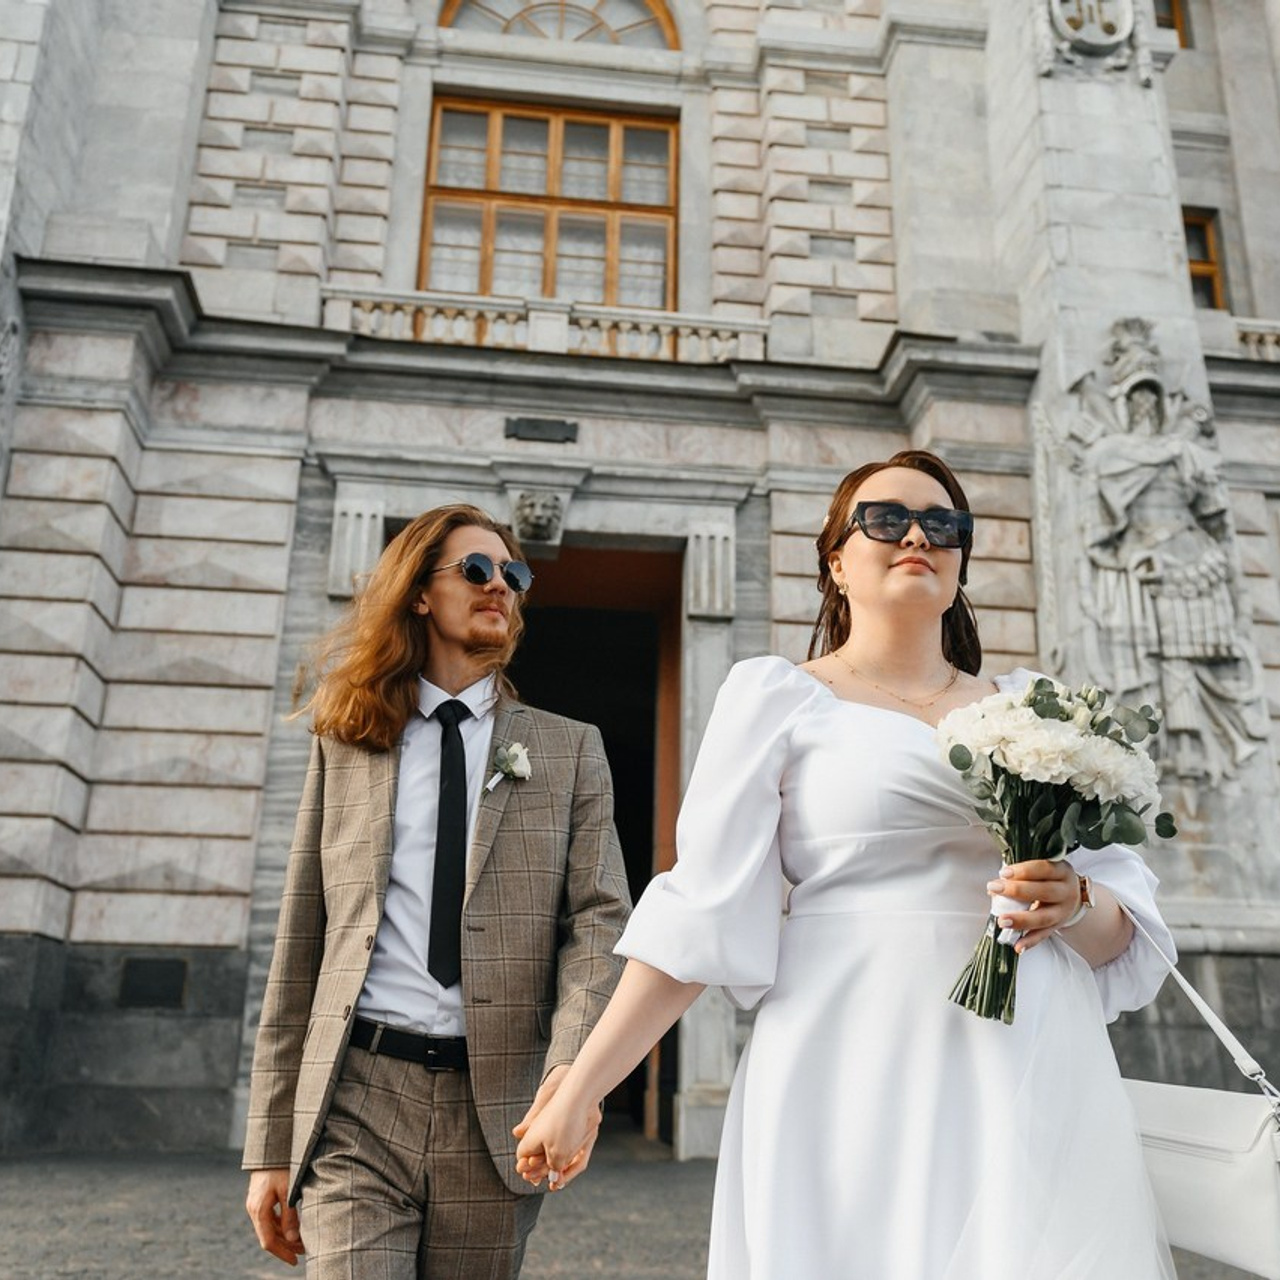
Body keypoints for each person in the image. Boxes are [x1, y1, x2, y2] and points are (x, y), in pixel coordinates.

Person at [514, 451, 1178, 1279]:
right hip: (843, 1051)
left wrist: (1076, 901)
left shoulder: (1037, 707)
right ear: (835, 559)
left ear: (963, 555)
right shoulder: (778, 699)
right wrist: (584, 1084)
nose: (917, 537)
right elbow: (701, 915)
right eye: (885, 518)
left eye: (943, 525)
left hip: (1026, 1051)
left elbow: (1126, 938)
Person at [243, 504, 631, 1278]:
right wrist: (270, 1145)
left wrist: (569, 1075)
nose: (501, 588)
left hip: (497, 1112)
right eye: (477, 570)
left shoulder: (568, 748)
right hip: (357, 1099)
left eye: (514, 576)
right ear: (419, 593)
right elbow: (302, 942)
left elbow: (598, 922)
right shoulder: (347, 741)